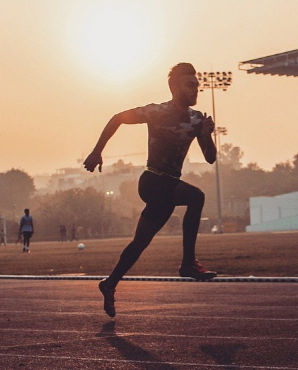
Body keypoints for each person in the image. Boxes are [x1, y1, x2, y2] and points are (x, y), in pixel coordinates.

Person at [83, 62, 218, 318]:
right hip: (153, 181)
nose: (196, 90)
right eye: (190, 85)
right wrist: (97, 150)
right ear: (174, 87)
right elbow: (118, 118)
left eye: (197, 85)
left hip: (167, 190)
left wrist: (207, 134)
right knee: (196, 196)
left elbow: (210, 158)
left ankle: (109, 284)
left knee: (139, 243)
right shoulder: (156, 112)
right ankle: (188, 263)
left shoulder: (197, 119)